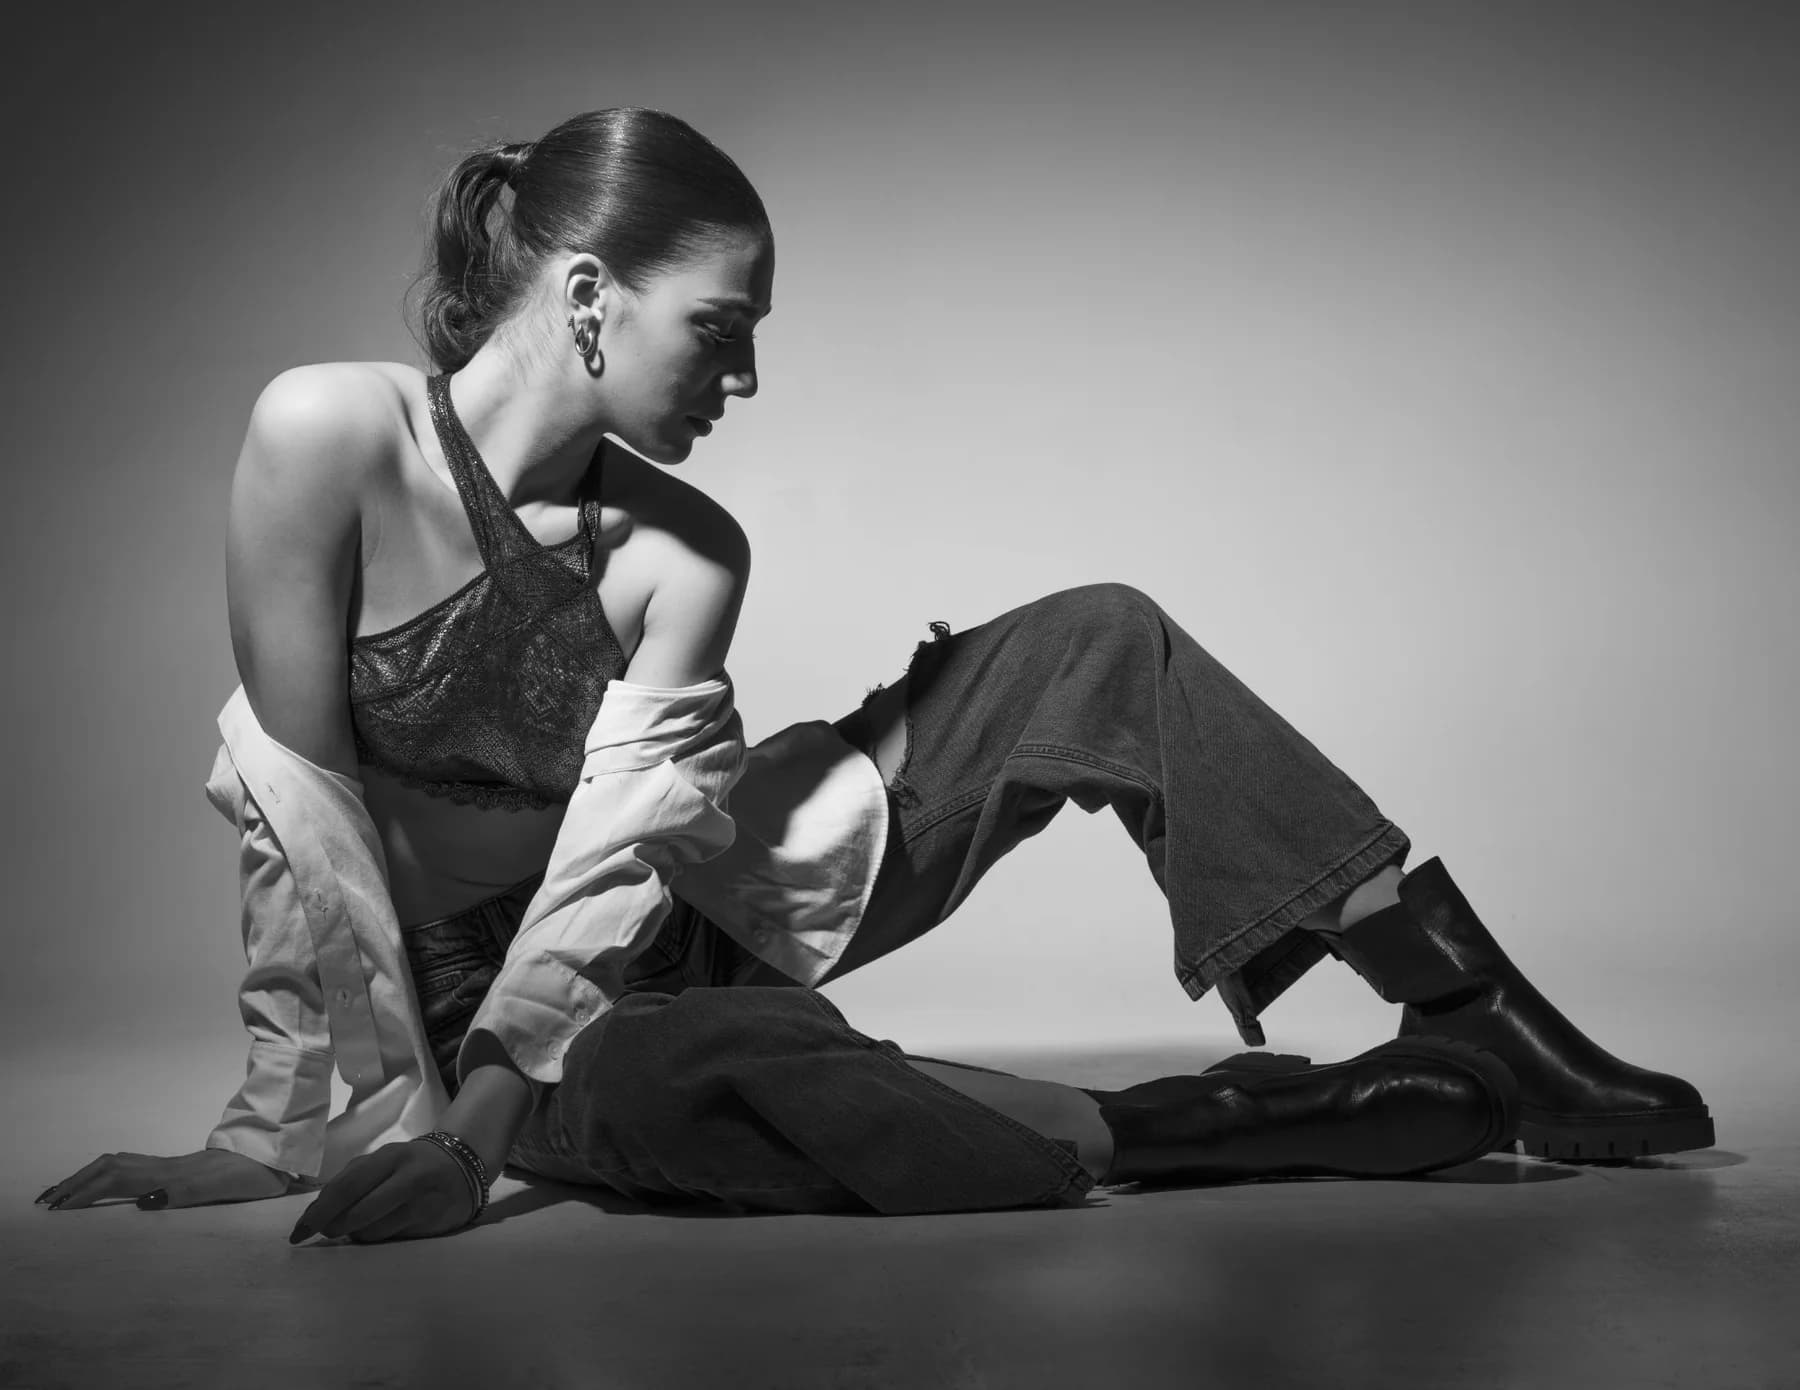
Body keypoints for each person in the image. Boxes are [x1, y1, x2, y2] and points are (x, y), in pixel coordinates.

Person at [36, 108, 1713, 1240]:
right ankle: (1243, 1118)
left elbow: (618, 865)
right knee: (719, 1074)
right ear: (591, 297)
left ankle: (1464, 1002)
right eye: (725, 327)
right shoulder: (325, 436)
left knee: (1099, 635)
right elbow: (303, 815)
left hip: (699, 894)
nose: (749, 376)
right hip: (510, 1010)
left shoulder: (686, 551)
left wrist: (466, 1135)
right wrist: (314, 1127)